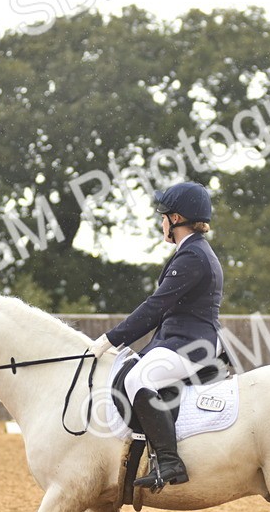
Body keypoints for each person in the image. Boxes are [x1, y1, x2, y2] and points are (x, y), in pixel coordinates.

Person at [86, 181, 224, 490]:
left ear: (175, 220)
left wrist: (108, 340)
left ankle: (169, 461)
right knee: (131, 372)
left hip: (191, 344)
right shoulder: (191, 252)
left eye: (163, 217)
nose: (161, 223)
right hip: (179, 340)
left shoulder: (192, 257)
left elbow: (155, 307)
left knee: (138, 379)